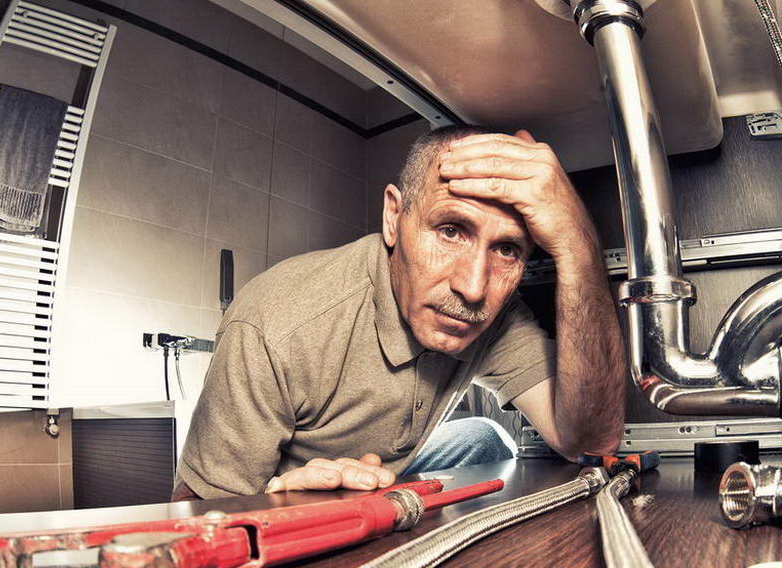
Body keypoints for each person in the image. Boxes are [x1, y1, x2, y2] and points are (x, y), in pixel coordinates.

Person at [172, 125, 624, 500]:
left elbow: (590, 441)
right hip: (291, 507)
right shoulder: (275, 324)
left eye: (507, 249)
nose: (472, 288)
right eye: (450, 231)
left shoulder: (497, 317)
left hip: (391, 476)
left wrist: (578, 245)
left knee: (486, 437)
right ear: (394, 216)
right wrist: (284, 506)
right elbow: (192, 519)